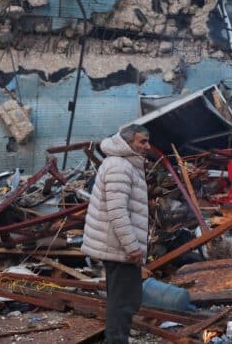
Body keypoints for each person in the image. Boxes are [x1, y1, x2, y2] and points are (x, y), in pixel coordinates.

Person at [82, 125, 151, 344]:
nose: (147, 146)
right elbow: (117, 212)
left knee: (120, 300)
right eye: (142, 142)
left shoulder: (123, 164)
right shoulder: (120, 167)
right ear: (127, 143)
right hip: (119, 248)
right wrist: (132, 247)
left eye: (147, 141)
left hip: (115, 246)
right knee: (124, 303)